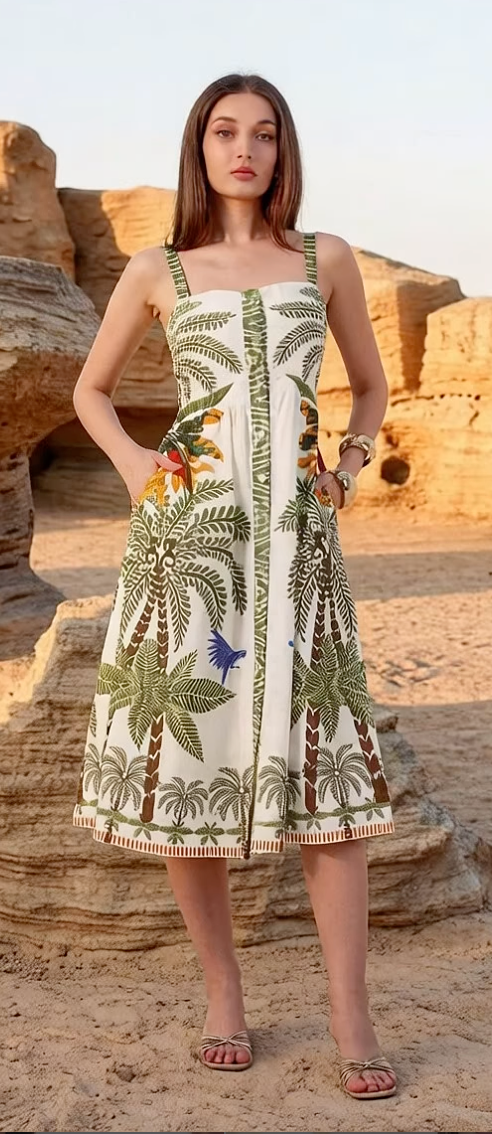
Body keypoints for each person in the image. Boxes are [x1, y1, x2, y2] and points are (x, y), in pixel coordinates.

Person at [72, 71, 397, 1099]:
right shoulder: (158, 267)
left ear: (283, 149)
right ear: (199, 147)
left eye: (263, 132)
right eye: (224, 131)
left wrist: (343, 471)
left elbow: (372, 383)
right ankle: (224, 995)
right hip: (189, 550)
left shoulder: (325, 258)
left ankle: (353, 1014)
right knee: (187, 767)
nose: (244, 148)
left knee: (328, 780)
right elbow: (90, 389)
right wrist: (136, 473)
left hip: (300, 557)